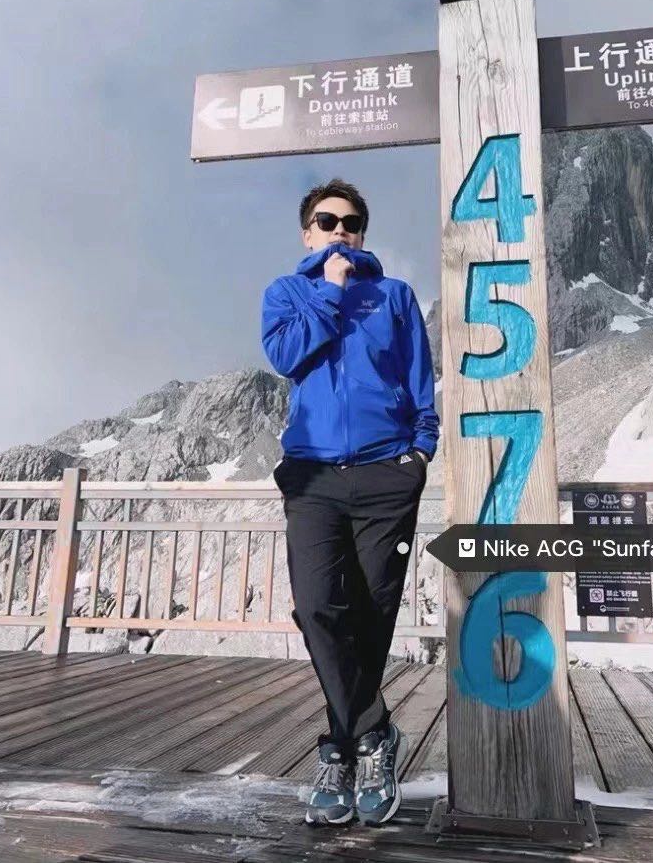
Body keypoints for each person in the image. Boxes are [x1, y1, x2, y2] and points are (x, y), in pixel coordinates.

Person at [261, 177, 439, 826]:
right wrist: (330, 292)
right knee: (316, 606)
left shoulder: (395, 295)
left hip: (386, 472)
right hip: (313, 477)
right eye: (327, 220)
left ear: (363, 231)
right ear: (306, 232)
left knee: (372, 614)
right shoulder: (287, 293)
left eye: (352, 222)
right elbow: (286, 356)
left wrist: (419, 453)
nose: (341, 230)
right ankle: (372, 734)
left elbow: (418, 377)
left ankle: (340, 751)